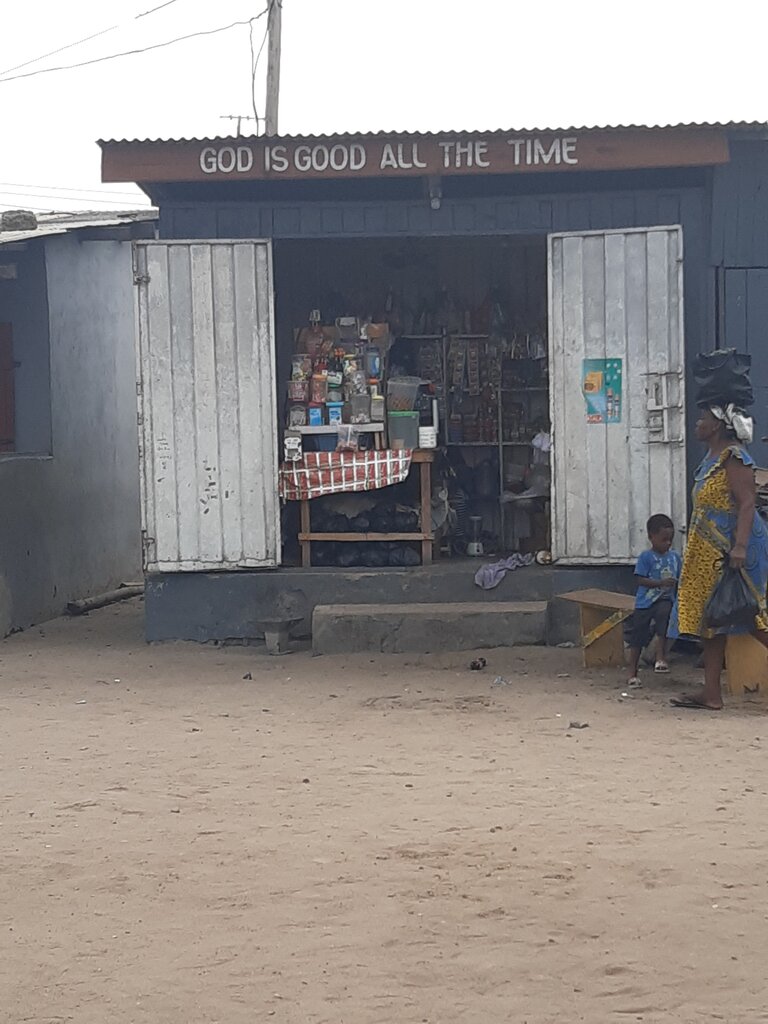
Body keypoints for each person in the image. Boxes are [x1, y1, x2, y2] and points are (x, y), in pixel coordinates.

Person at [671, 404, 768, 710]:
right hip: (708, 553)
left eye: (703, 419)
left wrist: (739, 547)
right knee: (712, 620)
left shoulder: (735, 457)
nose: (698, 423)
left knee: (752, 616)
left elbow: (747, 503)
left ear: (717, 426)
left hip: (733, 551)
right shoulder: (711, 459)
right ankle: (711, 693)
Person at [625, 514, 681, 686]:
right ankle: (632, 672)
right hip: (645, 602)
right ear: (651, 537)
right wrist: (660, 583)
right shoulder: (646, 557)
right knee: (638, 635)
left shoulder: (675, 558)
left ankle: (660, 658)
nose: (668, 543)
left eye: (670, 540)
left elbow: (680, 577)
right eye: (664, 539)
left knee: (664, 622)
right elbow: (640, 579)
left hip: (665, 599)